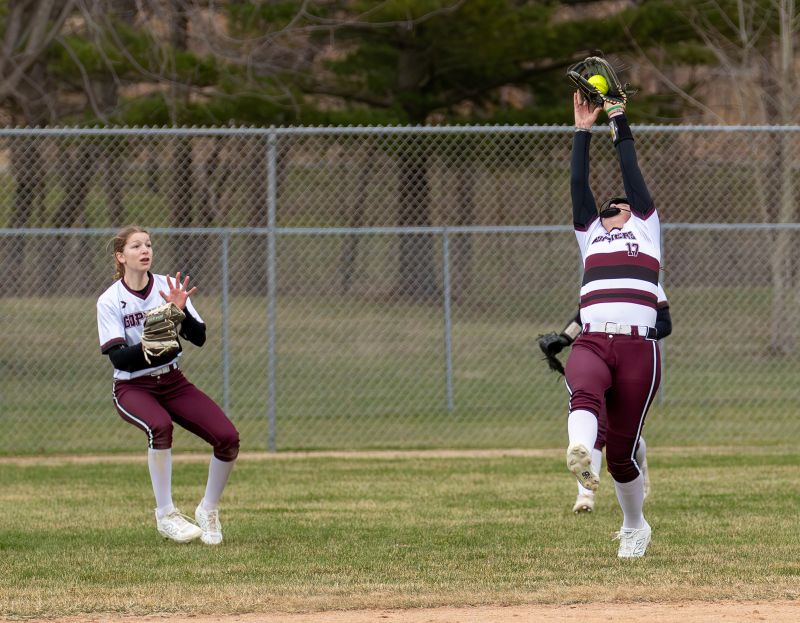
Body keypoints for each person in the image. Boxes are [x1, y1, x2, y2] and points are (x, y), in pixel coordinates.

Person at [96, 225, 239, 544]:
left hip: (172, 381)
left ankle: (208, 509)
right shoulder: (110, 300)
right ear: (121, 256)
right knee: (160, 426)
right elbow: (119, 359)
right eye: (135, 246)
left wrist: (179, 312)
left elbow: (198, 337)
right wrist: (158, 339)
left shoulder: (167, 286)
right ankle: (166, 515)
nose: (145, 250)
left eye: (147, 244)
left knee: (228, 438)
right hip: (132, 387)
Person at [565, 92, 662, 558]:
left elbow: (631, 173)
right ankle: (582, 456)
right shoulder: (590, 235)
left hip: (639, 350)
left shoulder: (646, 227)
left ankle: (635, 525)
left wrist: (618, 119)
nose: (613, 207)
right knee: (582, 387)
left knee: (624, 454)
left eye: (620, 204)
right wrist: (582, 130)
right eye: (607, 206)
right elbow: (579, 184)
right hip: (593, 338)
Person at [540, 284, 672, 514]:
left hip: (633, 358)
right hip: (598, 355)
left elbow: (665, 323)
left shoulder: (647, 277)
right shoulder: (600, 273)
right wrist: (564, 338)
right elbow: (585, 316)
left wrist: (639, 334)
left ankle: (639, 464)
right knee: (598, 426)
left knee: (623, 434)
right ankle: (585, 495)